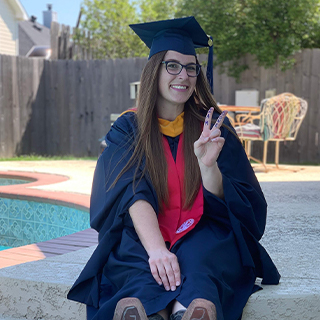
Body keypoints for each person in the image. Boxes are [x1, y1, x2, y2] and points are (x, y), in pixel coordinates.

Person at [68, 16, 280, 320]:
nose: (183, 74)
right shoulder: (129, 129)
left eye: (191, 67)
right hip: (145, 231)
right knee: (142, 267)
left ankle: (189, 312)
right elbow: (129, 190)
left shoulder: (213, 127)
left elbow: (243, 202)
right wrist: (157, 249)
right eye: (172, 65)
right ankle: (145, 312)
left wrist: (209, 167)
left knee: (199, 262)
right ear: (154, 71)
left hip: (203, 228)